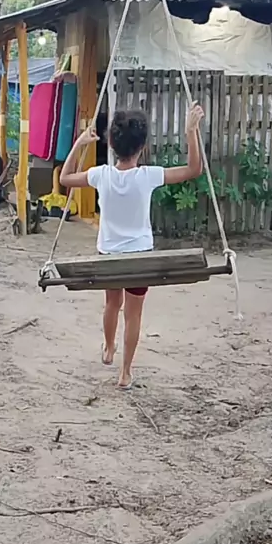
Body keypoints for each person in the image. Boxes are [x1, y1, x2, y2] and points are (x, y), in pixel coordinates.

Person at [59, 101, 204, 389]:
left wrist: (80, 143)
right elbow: (193, 169)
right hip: (139, 257)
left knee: (112, 304)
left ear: (111, 143)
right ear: (143, 147)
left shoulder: (101, 175)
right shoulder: (147, 176)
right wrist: (190, 131)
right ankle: (125, 372)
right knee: (133, 313)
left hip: (109, 255)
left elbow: (65, 178)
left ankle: (109, 347)